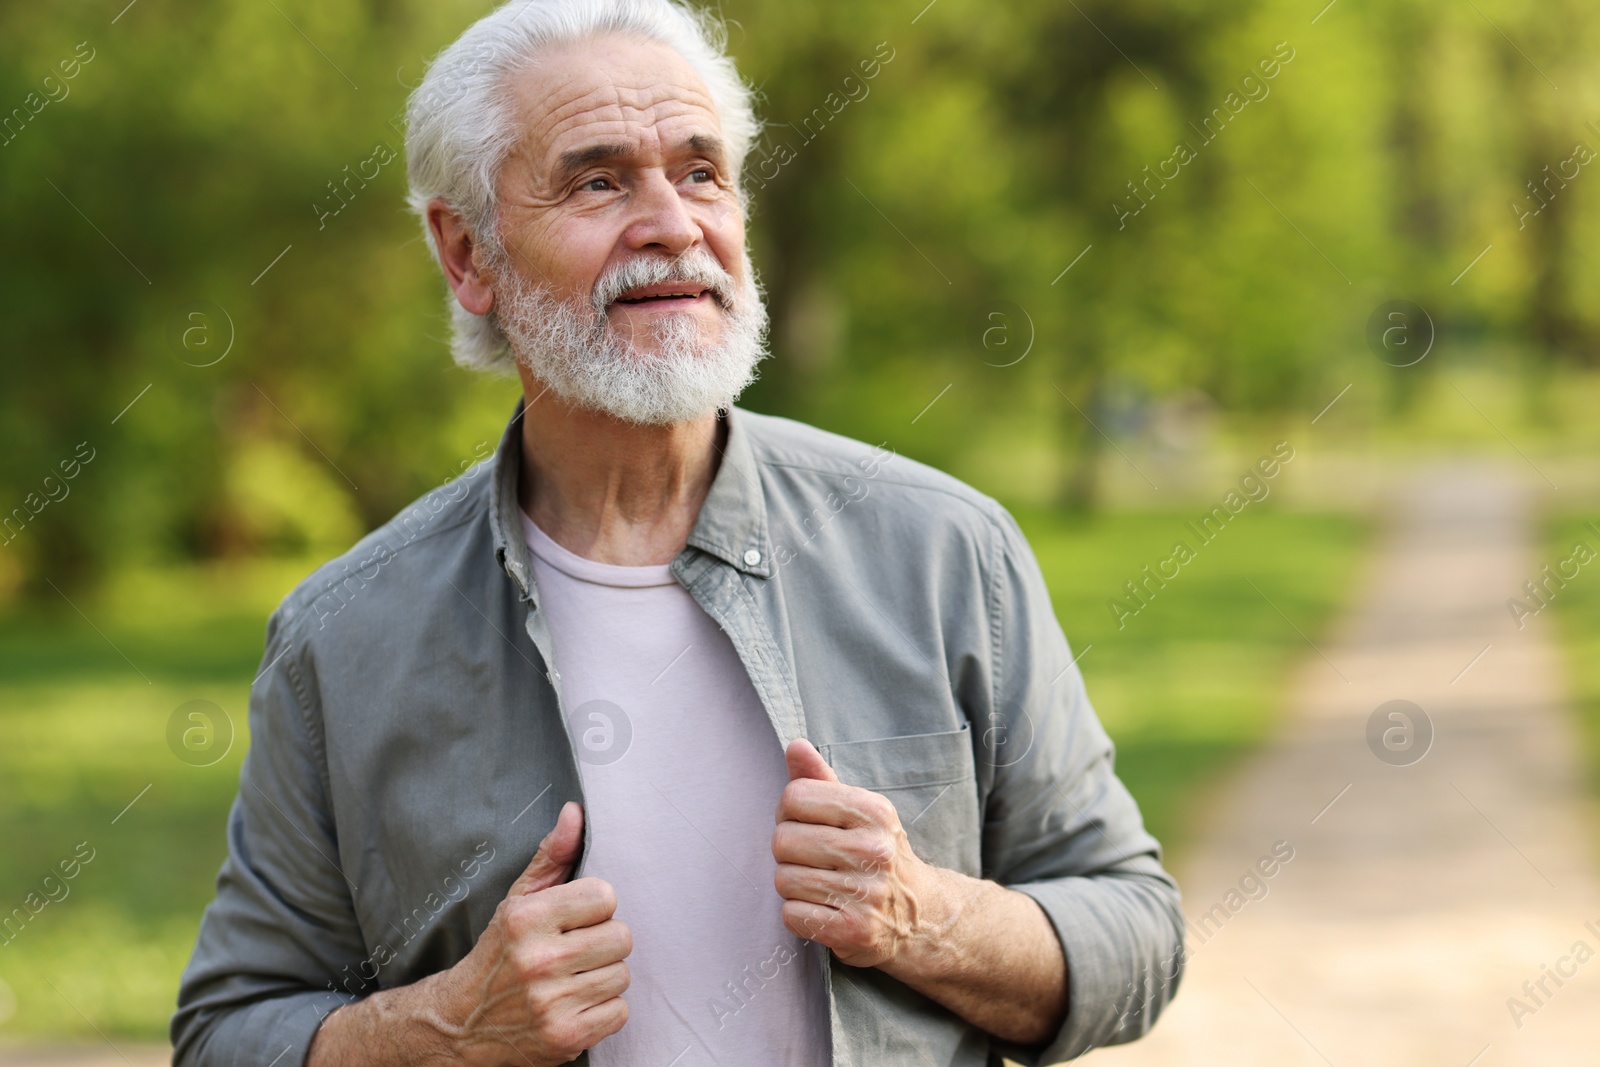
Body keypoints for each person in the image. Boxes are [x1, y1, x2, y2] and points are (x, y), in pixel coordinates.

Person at [170, 2, 1184, 1064]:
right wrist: (445, 1026)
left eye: (700, 173)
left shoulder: (945, 552)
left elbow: (1137, 932)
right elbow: (227, 1033)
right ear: (467, 253)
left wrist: (922, 914)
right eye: (598, 180)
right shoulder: (342, 636)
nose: (671, 223)